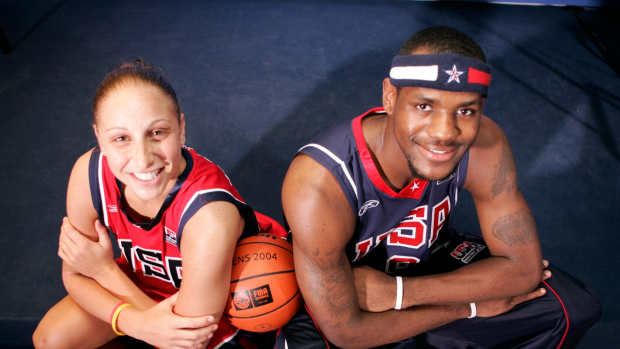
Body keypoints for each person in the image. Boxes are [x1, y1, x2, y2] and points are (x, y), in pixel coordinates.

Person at [276, 26, 601, 348]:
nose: (445, 132)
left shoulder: (484, 144)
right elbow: (347, 332)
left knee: (568, 307)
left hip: (422, 271)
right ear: (390, 97)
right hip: (345, 302)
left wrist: (400, 293)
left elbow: (524, 268)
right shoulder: (319, 183)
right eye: (424, 106)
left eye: (465, 111)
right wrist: (466, 307)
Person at [32, 60, 285, 349]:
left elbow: (188, 340)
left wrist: (105, 272)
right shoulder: (88, 174)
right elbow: (74, 275)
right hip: (144, 288)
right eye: (121, 138)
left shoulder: (209, 215)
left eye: (157, 133)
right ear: (99, 138)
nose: (142, 159)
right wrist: (134, 322)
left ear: (181, 128)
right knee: (51, 339)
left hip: (220, 318)